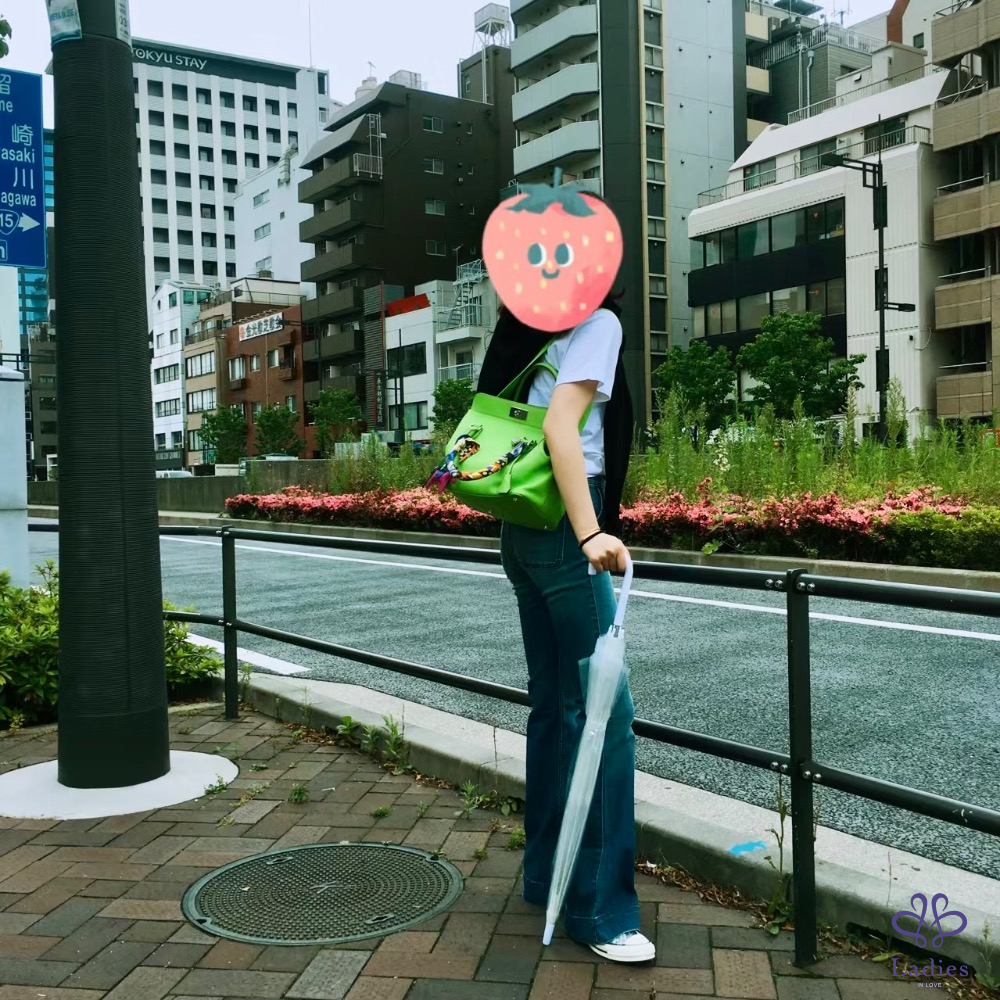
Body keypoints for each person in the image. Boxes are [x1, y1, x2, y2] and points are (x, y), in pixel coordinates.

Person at [477, 291, 654, 963]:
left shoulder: (527, 326)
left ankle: (547, 875)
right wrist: (590, 532)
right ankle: (599, 912)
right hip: (563, 528)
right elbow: (562, 426)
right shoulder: (598, 322)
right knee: (606, 715)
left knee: (554, 705)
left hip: (520, 526)